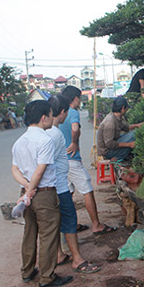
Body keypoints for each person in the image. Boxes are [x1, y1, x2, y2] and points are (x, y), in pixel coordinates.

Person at [11, 100, 73, 287]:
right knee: (48, 234)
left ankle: (27, 271)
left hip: (27, 193)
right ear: (44, 117)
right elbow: (40, 169)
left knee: (29, 232)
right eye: (51, 115)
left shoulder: (19, 141)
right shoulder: (44, 140)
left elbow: (14, 169)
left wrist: (26, 189)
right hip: (43, 193)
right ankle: (47, 276)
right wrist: (32, 189)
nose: (52, 118)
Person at [47, 95, 100, 274]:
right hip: (58, 185)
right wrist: (75, 143)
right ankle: (77, 259)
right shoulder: (54, 134)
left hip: (51, 186)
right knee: (69, 220)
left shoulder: (42, 133)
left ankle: (59, 254)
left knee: (55, 221)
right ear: (63, 112)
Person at [59, 85, 117, 235]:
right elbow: (75, 128)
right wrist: (74, 142)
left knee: (68, 193)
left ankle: (71, 224)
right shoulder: (72, 112)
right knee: (87, 191)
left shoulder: (59, 112)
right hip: (72, 159)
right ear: (76, 98)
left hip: (61, 160)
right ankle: (96, 224)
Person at [97, 96, 142, 160]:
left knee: (132, 136)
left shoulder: (116, 117)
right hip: (107, 152)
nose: (127, 110)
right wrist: (129, 144)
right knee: (135, 134)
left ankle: (124, 157)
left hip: (112, 145)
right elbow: (109, 144)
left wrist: (137, 125)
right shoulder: (110, 122)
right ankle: (117, 158)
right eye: (126, 108)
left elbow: (125, 127)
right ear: (123, 108)